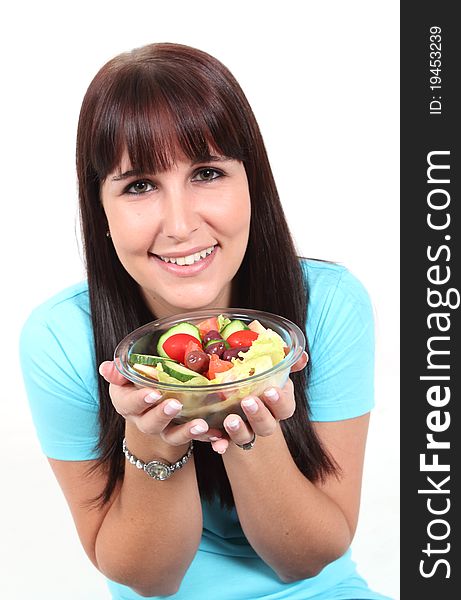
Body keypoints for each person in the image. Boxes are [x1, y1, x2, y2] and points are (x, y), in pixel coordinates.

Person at [19, 43, 391, 600]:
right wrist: (154, 442)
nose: (179, 224)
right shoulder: (62, 339)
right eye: (140, 185)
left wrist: (250, 426)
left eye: (208, 172)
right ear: (100, 208)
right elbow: (148, 580)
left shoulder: (329, 305)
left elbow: (308, 561)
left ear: (252, 185)